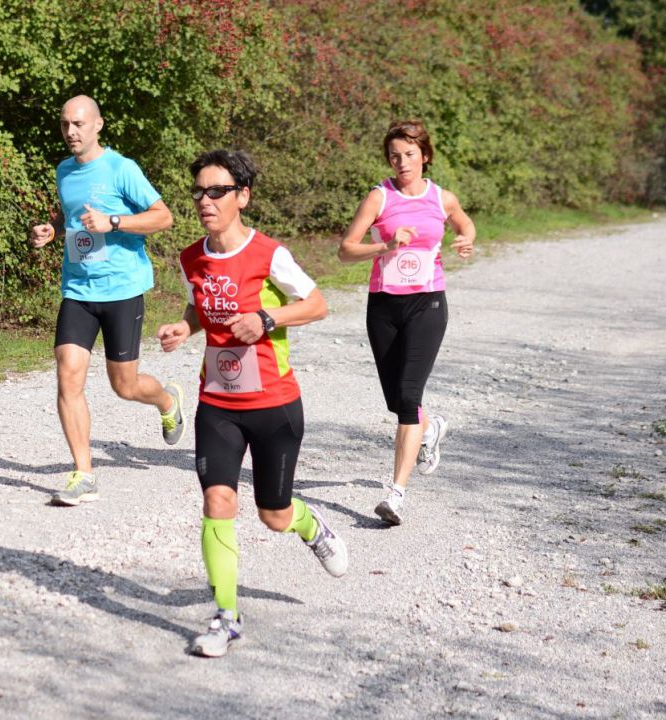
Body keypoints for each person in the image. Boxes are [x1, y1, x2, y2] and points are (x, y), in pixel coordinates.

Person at [158, 149, 348, 658]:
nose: (205, 200)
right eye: (199, 190)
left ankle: (311, 525)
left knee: (274, 514)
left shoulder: (269, 254)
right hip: (216, 402)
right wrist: (185, 326)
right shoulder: (190, 257)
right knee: (218, 500)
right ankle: (226, 616)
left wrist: (267, 319)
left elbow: (318, 304)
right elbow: (199, 309)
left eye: (217, 190)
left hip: (274, 404)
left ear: (242, 196)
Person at [30, 95, 185, 507]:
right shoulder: (64, 170)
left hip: (122, 289)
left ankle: (167, 400)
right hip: (78, 290)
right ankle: (84, 474)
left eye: (79, 124)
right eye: (65, 125)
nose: (71, 132)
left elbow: (163, 217)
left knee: (125, 385)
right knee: (68, 373)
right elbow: (71, 214)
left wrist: (114, 221)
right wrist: (53, 228)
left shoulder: (121, 169)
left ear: (98, 125)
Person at [337, 119, 476, 526]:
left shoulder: (441, 198)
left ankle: (395, 494)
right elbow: (346, 251)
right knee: (397, 399)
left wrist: (467, 238)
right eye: (395, 156)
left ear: (425, 156)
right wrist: (385, 245)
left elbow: (464, 222)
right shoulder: (378, 198)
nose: (402, 162)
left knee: (408, 396)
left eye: (410, 154)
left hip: (428, 304)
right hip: (383, 306)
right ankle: (432, 429)